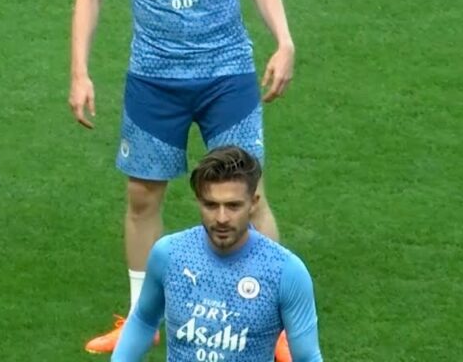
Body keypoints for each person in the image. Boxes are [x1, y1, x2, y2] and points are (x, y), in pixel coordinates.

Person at [70, 0, 297, 357]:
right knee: (143, 196)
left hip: (226, 75)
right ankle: (141, 322)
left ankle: (279, 327)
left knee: (251, 191)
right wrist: (79, 70)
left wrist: (285, 42)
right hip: (155, 80)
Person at [111, 146, 323, 362]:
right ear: (198, 201)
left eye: (233, 206)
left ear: (253, 203)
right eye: (211, 205)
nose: (222, 218)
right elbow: (144, 320)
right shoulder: (170, 255)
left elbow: (307, 357)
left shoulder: (284, 272)